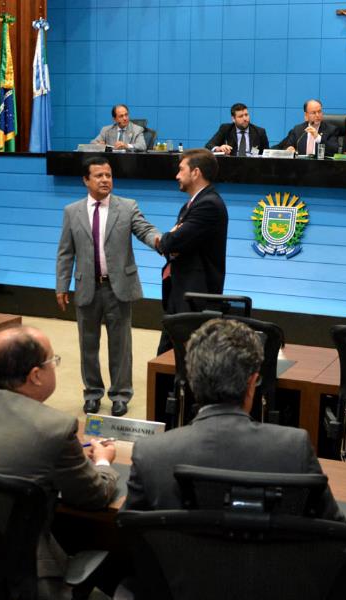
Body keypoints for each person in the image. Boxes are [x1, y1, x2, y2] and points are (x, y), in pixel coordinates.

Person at [0, 326, 119, 600]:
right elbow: (95, 495)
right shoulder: (55, 427)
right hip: (24, 582)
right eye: (53, 361)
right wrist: (102, 462)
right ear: (36, 375)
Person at [124, 318, 345, 521]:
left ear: (191, 379)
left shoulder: (150, 454)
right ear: (252, 384)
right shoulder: (295, 448)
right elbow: (335, 531)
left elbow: (127, 530)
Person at [56, 156, 161, 417]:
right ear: (86, 180)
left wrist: (161, 241)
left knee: (121, 346)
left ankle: (120, 395)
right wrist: (61, 286)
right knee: (88, 345)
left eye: (109, 175)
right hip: (86, 288)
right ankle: (92, 393)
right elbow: (66, 253)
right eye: (99, 176)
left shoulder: (127, 207)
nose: (105, 180)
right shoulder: (72, 211)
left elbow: (145, 230)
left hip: (118, 288)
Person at [156, 148, 228, 354]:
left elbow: (170, 243)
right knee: (165, 360)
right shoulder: (191, 205)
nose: (177, 176)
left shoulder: (208, 205)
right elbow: (172, 246)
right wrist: (172, 242)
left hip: (195, 298)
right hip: (180, 292)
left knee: (186, 361)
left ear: (196, 172)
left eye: (181, 169)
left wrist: (170, 240)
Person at [274, 99, 341, 157]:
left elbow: (334, 151)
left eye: (319, 111)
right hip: (301, 166)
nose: (317, 115)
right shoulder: (298, 129)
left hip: (321, 166)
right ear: (306, 115)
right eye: (313, 113)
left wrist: (318, 138)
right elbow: (283, 145)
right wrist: (288, 148)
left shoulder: (331, 130)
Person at [205, 102, 270, 156]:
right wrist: (218, 148)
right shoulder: (225, 129)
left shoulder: (260, 132)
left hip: (253, 165)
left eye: (246, 115)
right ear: (233, 119)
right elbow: (209, 145)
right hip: (231, 164)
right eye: (241, 116)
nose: (245, 119)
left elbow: (267, 154)